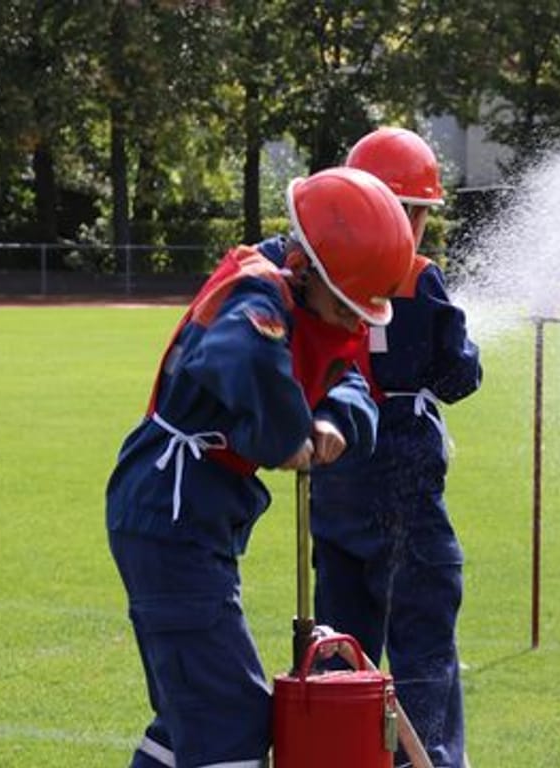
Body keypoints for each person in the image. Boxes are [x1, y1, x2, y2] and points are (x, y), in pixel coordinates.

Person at [106, 166, 415, 768]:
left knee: (189, 714)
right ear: (308, 268)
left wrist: (333, 423)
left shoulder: (322, 308)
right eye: (349, 305)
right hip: (169, 510)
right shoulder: (255, 297)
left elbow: (352, 381)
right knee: (229, 721)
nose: (356, 322)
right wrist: (288, 436)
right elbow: (241, 360)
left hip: (189, 518)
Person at [309, 127, 483, 768]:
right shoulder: (417, 275)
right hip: (404, 478)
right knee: (423, 640)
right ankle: (425, 760)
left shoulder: (321, 273)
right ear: (405, 211)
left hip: (336, 473)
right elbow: (456, 376)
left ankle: (337, 754)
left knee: (341, 644)